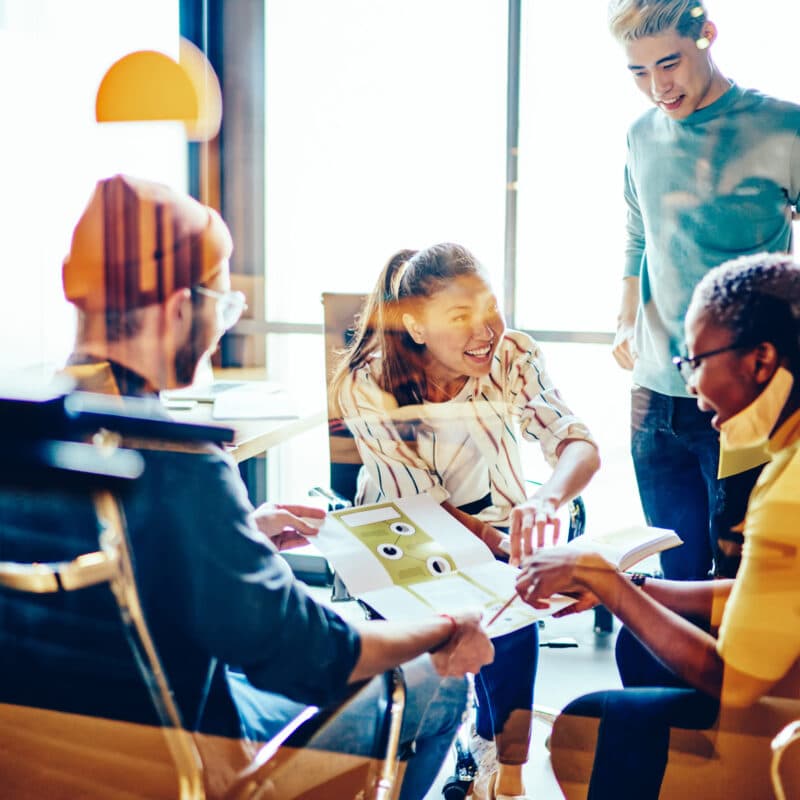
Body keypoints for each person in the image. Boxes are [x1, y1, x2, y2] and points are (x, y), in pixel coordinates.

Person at [0, 175, 496, 800]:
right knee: (441, 685)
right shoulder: (178, 458)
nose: (219, 332)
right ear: (180, 305)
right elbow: (309, 655)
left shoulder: (28, 434)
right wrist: (443, 627)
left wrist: (237, 533)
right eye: (223, 309)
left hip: (45, 763)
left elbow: (97, 573)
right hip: (197, 762)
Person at [517, 252, 800, 799]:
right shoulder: (786, 456)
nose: (691, 386)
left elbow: (733, 682)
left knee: (588, 727)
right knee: (640, 646)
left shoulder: (786, 489)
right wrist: (637, 588)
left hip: (783, 731)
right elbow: (770, 593)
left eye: (694, 361)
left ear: (761, 359)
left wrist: (607, 582)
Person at [332, 242, 600, 800]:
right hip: (400, 530)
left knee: (513, 627)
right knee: (425, 670)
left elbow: (576, 441)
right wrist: (504, 544)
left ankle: (500, 765)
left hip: (498, 514)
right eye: (461, 318)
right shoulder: (369, 381)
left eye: (491, 309)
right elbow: (427, 505)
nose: (486, 331)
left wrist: (548, 500)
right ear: (416, 325)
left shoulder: (514, 355)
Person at [608, 0, 800, 580]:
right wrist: (625, 322)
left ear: (707, 36)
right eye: (639, 72)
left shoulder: (782, 126)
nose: (657, 87)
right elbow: (639, 235)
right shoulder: (641, 134)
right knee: (674, 577)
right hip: (653, 396)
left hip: (743, 397)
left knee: (741, 581)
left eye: (668, 64)